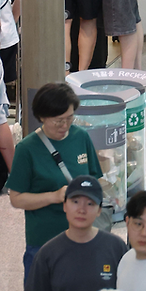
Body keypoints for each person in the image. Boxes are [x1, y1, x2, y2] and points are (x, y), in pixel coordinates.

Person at [8, 82, 103, 282]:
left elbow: (95, 179)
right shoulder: (27, 149)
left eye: (70, 118)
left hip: (81, 237)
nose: (65, 125)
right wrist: (54, 196)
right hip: (44, 239)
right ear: (42, 117)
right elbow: (16, 199)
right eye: (58, 121)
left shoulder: (81, 137)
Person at [25, 175, 127, 291]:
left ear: (99, 210)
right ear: (64, 206)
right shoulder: (47, 254)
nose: (81, 210)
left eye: (90, 204)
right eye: (75, 201)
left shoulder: (116, 248)